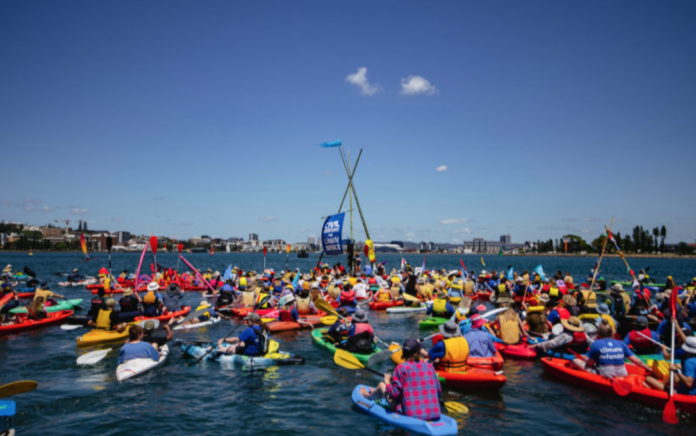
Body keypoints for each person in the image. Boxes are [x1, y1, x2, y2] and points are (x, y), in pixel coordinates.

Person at [360, 338, 442, 421]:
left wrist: (387, 382)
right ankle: (374, 392)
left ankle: (366, 395)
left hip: (411, 416)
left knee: (382, 386)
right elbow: (438, 392)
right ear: (418, 352)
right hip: (434, 414)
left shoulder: (401, 368)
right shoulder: (430, 367)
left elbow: (394, 394)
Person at [573, 319, 651, 378]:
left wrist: (585, 359)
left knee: (575, 361)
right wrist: (649, 369)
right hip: (622, 373)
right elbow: (637, 361)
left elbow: (590, 363)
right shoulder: (621, 343)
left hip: (605, 374)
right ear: (612, 333)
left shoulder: (596, 344)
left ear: (598, 335)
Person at [645, 321, 696, 395]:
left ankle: (657, 388)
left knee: (648, 379)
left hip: (686, 393)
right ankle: (662, 385)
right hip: (690, 388)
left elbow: (689, 383)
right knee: (674, 374)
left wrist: (677, 371)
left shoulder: (689, 362)